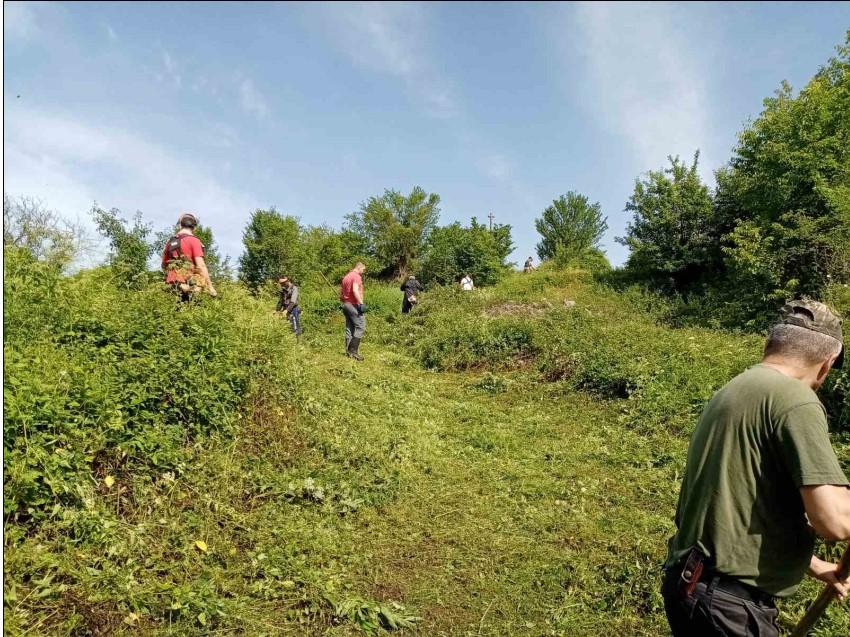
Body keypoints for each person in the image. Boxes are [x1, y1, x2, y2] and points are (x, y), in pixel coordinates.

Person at [662, 299, 850, 637]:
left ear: (771, 344)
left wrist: (816, 566)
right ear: (828, 363)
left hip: (691, 588)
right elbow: (833, 521)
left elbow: (737, 504)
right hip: (728, 608)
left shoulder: (733, 391)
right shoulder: (796, 400)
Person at [161, 212, 218, 301]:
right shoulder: (194, 241)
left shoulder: (169, 242)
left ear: (180, 225)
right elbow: (201, 265)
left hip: (172, 285)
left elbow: (164, 265)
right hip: (190, 286)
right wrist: (211, 287)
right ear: (194, 227)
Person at [340, 262, 367, 361]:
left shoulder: (346, 277)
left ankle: (348, 351)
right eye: (363, 270)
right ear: (359, 268)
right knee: (361, 326)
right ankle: (353, 350)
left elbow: (341, 295)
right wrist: (361, 303)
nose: (363, 272)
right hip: (353, 305)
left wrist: (345, 300)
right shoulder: (356, 276)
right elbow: (355, 290)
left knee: (349, 327)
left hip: (346, 305)